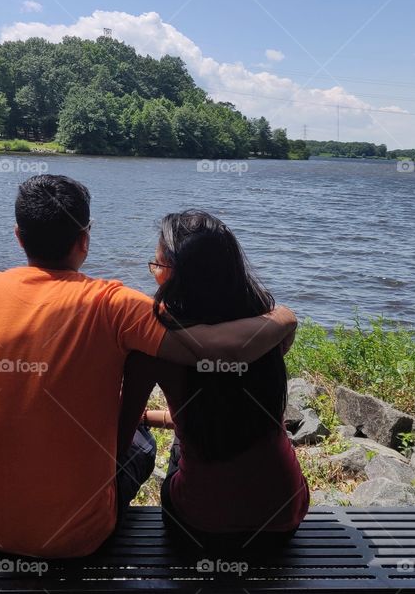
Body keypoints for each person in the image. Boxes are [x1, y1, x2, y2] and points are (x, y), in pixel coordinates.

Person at [0, 175, 296, 559]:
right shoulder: (117, 306)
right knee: (146, 444)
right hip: (79, 538)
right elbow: (211, 351)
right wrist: (283, 318)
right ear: (84, 240)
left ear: (19, 237)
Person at [118, 210, 308, 550]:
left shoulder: (154, 347)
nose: (154, 273)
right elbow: (226, 406)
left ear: (178, 275)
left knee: (170, 445)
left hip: (201, 527)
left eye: (158, 266)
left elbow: (118, 438)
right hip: (283, 517)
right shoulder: (265, 329)